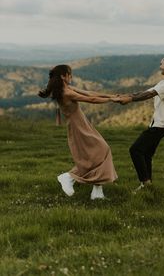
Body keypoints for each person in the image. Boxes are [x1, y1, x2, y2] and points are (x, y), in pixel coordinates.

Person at [38, 64, 118, 200]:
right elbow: (91, 99)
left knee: (97, 155)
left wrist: (113, 96)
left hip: (83, 124)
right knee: (102, 150)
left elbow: (90, 93)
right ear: (63, 76)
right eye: (70, 74)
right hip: (78, 127)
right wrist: (111, 100)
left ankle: (97, 193)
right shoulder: (66, 92)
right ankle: (68, 177)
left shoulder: (67, 88)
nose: (71, 77)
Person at [117, 56, 164, 192]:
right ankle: (148, 184)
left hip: (162, 125)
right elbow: (146, 92)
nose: (159, 66)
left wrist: (130, 99)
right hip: (159, 124)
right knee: (146, 154)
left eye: (161, 64)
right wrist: (127, 95)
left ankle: (145, 183)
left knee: (135, 150)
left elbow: (149, 95)